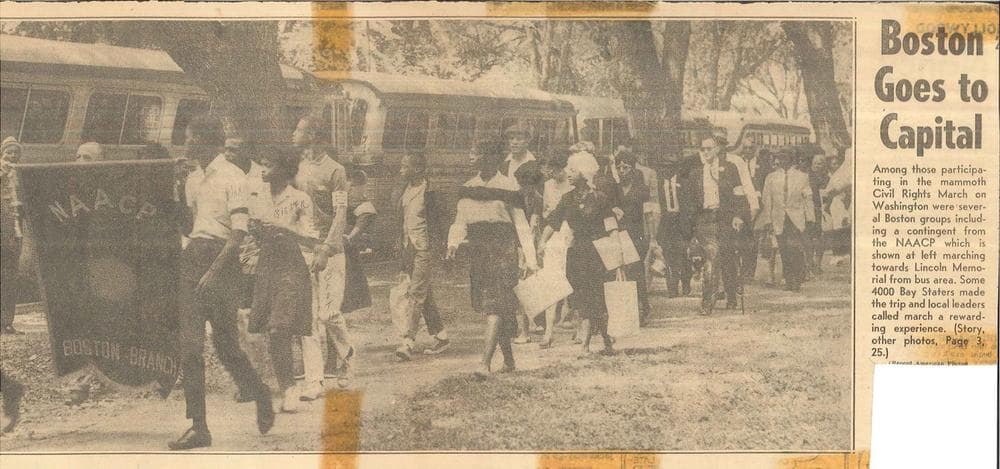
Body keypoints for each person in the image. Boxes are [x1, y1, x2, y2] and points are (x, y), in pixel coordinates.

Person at [172, 114, 273, 450]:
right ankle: (198, 427)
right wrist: (175, 193)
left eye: (189, 138)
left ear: (205, 141)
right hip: (193, 258)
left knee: (226, 346)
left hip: (222, 262)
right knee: (189, 348)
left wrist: (213, 272)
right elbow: (190, 227)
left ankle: (259, 393)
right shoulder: (192, 179)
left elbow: (239, 232)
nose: (185, 144)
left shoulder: (232, 177)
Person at [447, 139, 538, 378]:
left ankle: (484, 364)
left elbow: (522, 225)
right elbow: (460, 220)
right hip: (479, 253)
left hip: (503, 251)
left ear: (490, 158)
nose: (471, 157)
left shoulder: (509, 187)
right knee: (497, 308)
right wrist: (453, 244)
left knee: (495, 307)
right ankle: (508, 360)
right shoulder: (468, 187)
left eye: (475, 153)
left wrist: (530, 259)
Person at [246, 147, 317, 413]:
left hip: (291, 266)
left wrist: (285, 229)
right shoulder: (256, 197)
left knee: (280, 327)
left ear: (284, 170)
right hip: (266, 266)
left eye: (269, 164)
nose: (263, 170)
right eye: (262, 164)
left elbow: (311, 238)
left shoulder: (300, 199)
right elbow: (251, 231)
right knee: (268, 331)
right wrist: (257, 232)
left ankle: (290, 389)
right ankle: (286, 383)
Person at [292, 116, 354, 397]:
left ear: (314, 134)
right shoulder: (297, 167)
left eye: (300, 130)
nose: (295, 134)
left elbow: (341, 214)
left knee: (328, 314)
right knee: (309, 318)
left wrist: (326, 249)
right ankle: (314, 381)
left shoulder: (336, 171)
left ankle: (347, 356)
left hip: (330, 253)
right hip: (303, 249)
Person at [540, 150, 615, 356]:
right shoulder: (568, 198)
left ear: (584, 172)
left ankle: (586, 344)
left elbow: (611, 224)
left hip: (597, 252)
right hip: (575, 253)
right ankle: (606, 340)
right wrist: (541, 243)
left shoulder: (600, 198)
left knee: (593, 298)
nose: (568, 173)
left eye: (573, 169)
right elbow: (553, 222)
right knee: (583, 299)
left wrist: (616, 250)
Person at [680, 136, 748, 315]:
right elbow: (690, 202)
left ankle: (731, 295)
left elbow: (739, 195)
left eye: (709, 148)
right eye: (702, 149)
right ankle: (707, 301)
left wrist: (739, 216)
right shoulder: (695, 173)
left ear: (717, 149)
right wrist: (691, 227)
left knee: (727, 258)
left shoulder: (730, 169)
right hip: (705, 220)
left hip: (725, 219)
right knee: (712, 258)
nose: (705, 152)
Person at [394, 153, 449, 361]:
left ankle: (408, 342)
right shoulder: (404, 189)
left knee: (416, 293)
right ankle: (442, 336)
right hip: (409, 248)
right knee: (424, 293)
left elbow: (438, 223)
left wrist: (441, 249)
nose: (401, 169)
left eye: (404, 166)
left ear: (417, 169)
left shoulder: (430, 192)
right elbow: (400, 219)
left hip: (425, 248)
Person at [501, 122, 544, 344]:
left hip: (527, 220)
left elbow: (537, 197)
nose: (515, 142)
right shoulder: (505, 164)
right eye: (511, 139)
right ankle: (518, 322)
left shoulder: (533, 165)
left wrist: (535, 220)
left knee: (528, 269)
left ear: (528, 141)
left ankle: (533, 319)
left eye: (519, 139)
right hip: (509, 219)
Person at [760, 146, 814, 292]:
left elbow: (807, 198)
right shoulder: (771, 178)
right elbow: (767, 200)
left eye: (785, 157)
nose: (781, 160)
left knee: (794, 248)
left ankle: (797, 279)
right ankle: (789, 280)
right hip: (778, 218)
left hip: (795, 218)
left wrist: (810, 218)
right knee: (783, 250)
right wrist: (767, 220)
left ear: (791, 158)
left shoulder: (802, 176)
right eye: (780, 157)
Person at [538, 148, 574, 348]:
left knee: (574, 279)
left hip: (572, 233)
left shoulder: (573, 183)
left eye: (554, 169)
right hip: (554, 234)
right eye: (549, 170)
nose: (551, 173)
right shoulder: (548, 186)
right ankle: (549, 331)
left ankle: (578, 326)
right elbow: (546, 211)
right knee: (551, 280)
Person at [1, 137, 25, 432]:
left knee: (8, 281)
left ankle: (10, 389)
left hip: (9, 236)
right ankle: (10, 389)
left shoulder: (12, 173)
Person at [612, 150, 652, 325]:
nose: (622, 171)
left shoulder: (642, 189)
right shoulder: (614, 188)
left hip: (637, 234)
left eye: (626, 167)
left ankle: (643, 307)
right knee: (622, 271)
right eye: (619, 167)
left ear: (633, 168)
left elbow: (649, 213)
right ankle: (627, 309)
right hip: (619, 233)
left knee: (636, 271)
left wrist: (652, 236)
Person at [657, 160, 693, 298]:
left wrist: (689, 224)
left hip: (680, 222)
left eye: (669, 168)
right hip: (666, 222)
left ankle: (685, 282)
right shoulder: (660, 184)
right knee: (668, 255)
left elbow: (689, 204)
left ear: (675, 169)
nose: (666, 171)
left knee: (683, 254)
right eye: (664, 168)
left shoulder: (684, 183)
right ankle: (672, 287)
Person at [341, 168, 374, 316]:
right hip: (341, 240)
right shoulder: (343, 197)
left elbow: (361, 222)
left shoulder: (364, 204)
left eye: (352, 186)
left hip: (347, 244)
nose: (349, 189)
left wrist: (350, 236)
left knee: (348, 279)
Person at [1, 137, 24, 335]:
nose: (12, 156)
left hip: (14, 235)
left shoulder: (20, 176)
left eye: (15, 152)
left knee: (10, 277)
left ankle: (7, 322)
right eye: (9, 152)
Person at [806, 149, 830, 276]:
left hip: (823, 211)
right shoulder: (807, 177)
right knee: (810, 239)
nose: (817, 165)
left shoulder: (828, 177)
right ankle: (809, 264)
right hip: (811, 211)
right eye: (815, 162)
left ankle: (818, 263)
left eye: (821, 163)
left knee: (821, 239)